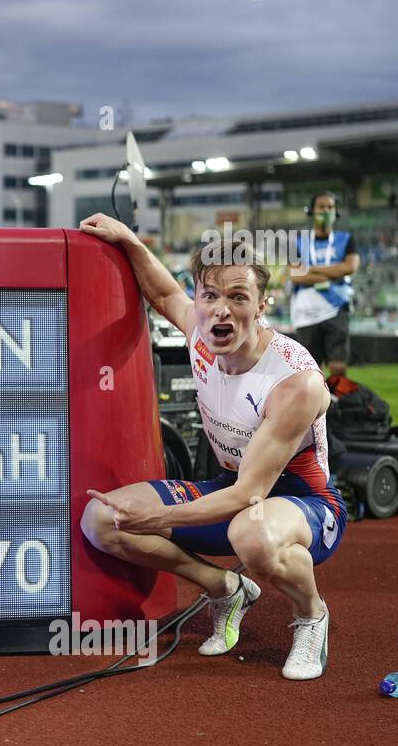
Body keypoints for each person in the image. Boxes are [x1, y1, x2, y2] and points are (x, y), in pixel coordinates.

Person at [78, 212, 344, 681]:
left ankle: (312, 615)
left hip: (302, 503)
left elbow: (248, 497)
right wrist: (127, 239)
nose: (221, 310)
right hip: (231, 489)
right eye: (211, 296)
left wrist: (159, 519)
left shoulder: (294, 381)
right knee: (102, 520)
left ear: (263, 305)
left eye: (238, 297)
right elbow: (163, 294)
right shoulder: (202, 338)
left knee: (251, 532)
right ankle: (225, 587)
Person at [288, 191, 359, 378]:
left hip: (336, 308)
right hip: (306, 313)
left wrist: (310, 270)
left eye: (330, 207)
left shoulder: (346, 239)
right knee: (310, 369)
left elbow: (350, 267)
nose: (326, 211)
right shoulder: (298, 242)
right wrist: (333, 272)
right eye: (321, 206)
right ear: (312, 211)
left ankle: (338, 405)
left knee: (338, 368)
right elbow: (295, 275)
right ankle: (317, 407)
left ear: (336, 212)